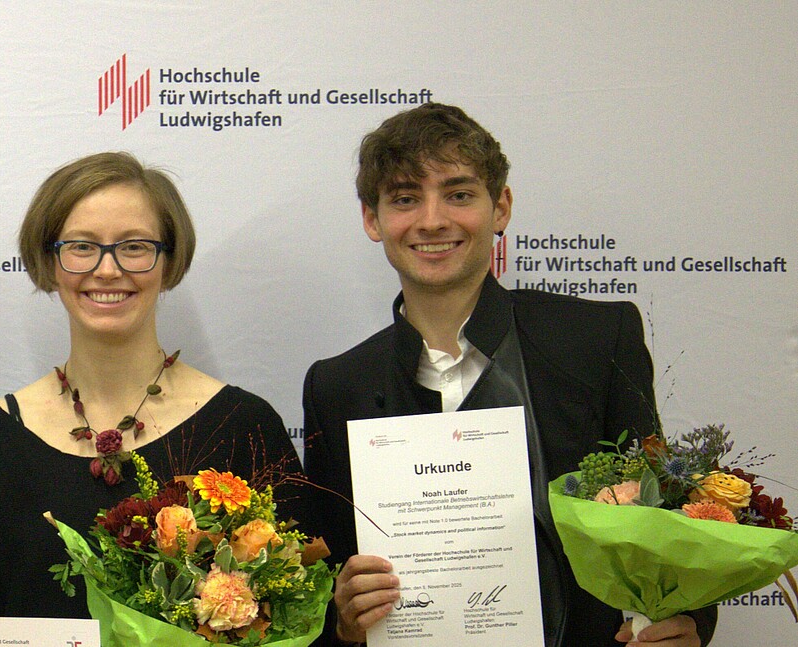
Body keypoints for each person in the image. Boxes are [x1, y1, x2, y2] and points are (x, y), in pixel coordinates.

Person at [300, 102, 714, 647]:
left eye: (459, 194)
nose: (432, 220)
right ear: (373, 220)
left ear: (501, 208)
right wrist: (344, 621)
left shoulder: (595, 338)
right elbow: (326, 584)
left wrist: (688, 624)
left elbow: (668, 515)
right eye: (405, 198)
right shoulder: (337, 387)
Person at [0, 152, 305, 617]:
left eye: (133, 246)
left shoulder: (243, 425)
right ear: (49, 262)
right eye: (81, 246)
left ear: (169, 263)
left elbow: (297, 610)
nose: (107, 270)